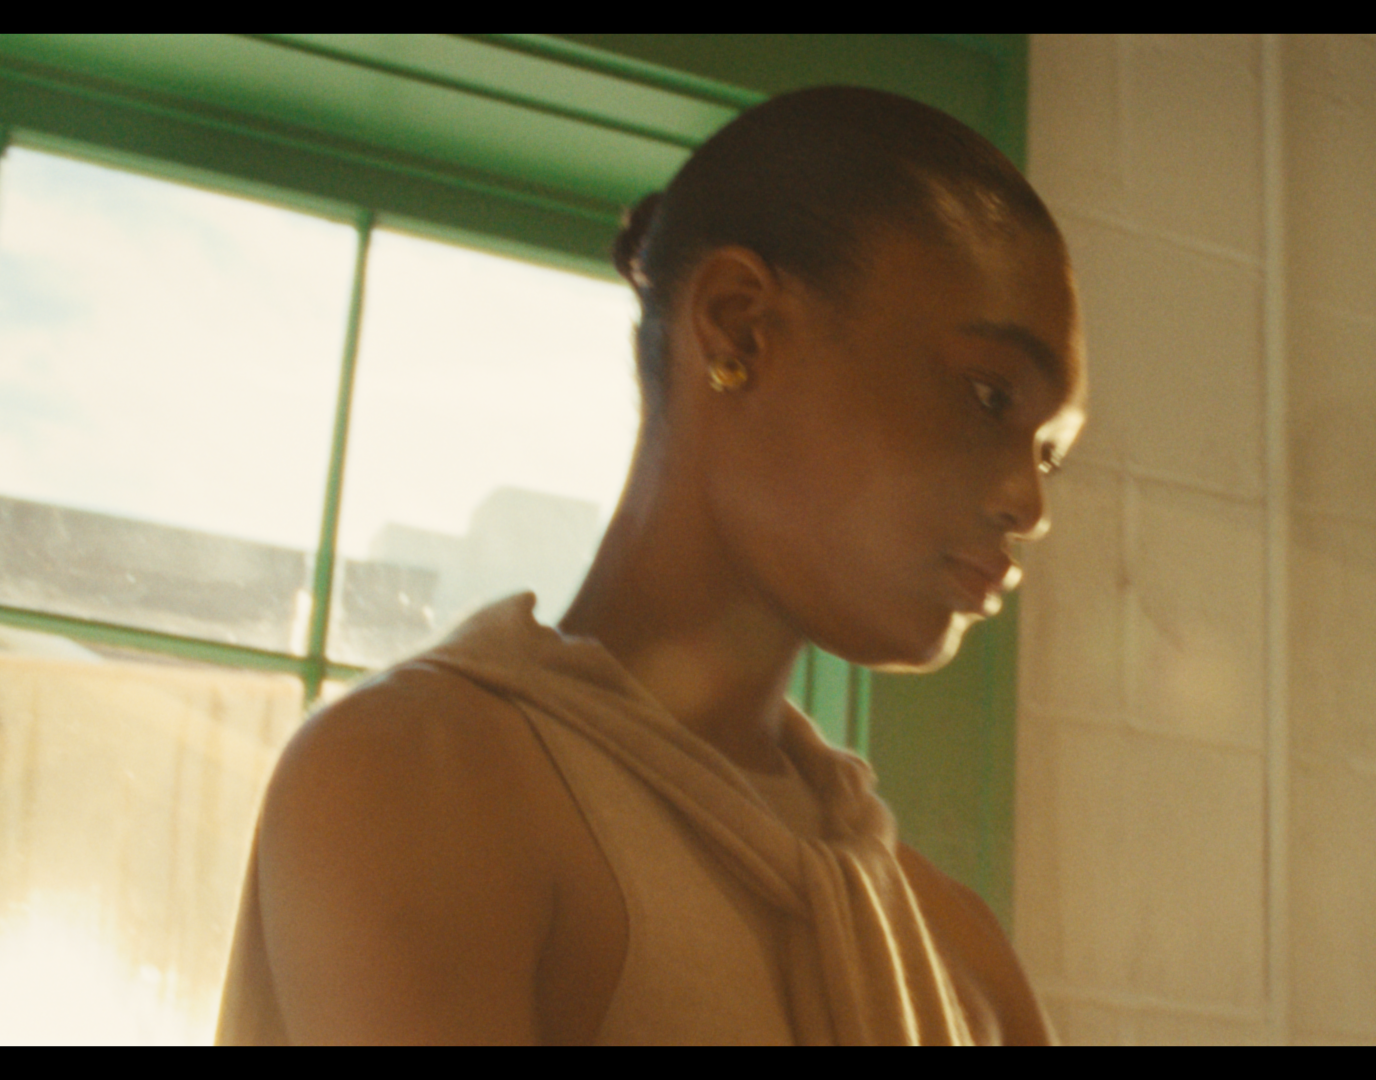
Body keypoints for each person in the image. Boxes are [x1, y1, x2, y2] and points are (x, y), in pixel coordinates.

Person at [215, 86, 1085, 1045]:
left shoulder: (964, 955)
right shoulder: (425, 781)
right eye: (989, 395)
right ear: (739, 324)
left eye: (1049, 451)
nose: (1029, 504)